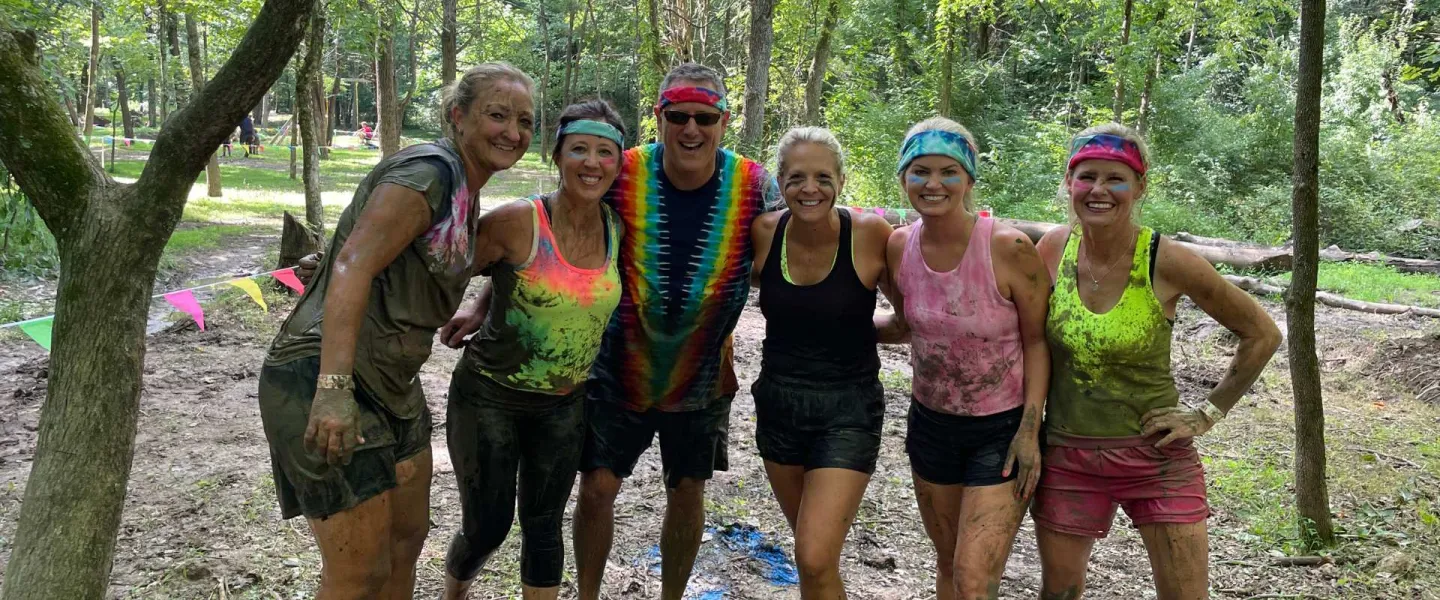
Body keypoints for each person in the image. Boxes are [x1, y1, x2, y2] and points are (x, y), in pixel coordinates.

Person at [257, 62, 537, 600]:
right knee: (358, 572)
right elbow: (353, 266)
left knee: (406, 541)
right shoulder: (431, 171)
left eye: (524, 121)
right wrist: (333, 390)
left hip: (395, 386)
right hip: (328, 373)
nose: (513, 132)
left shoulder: (463, 185)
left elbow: (380, 252)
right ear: (458, 117)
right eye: (497, 115)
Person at [1031, 123, 1282, 600]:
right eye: (1086, 177)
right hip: (1068, 454)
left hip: (1156, 457)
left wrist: (1206, 413)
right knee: (1059, 593)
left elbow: (1262, 333)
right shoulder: (1052, 249)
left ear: (1140, 186)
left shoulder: (1166, 259)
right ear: (1069, 183)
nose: (1099, 190)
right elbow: (1026, 342)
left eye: (1115, 178)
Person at [575, 63, 777, 600]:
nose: (692, 129)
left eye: (704, 118)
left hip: (704, 374)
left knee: (687, 491)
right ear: (659, 116)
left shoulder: (756, 184)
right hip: (618, 366)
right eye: (679, 116)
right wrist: (482, 301)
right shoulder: (622, 170)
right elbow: (558, 227)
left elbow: (811, 234)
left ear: (723, 121)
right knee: (596, 489)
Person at [436, 100, 627, 600]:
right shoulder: (519, 219)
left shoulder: (616, 227)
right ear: (557, 155)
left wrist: (483, 305)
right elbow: (444, 269)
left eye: (605, 152)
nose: (592, 162)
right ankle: (451, 593)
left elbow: (548, 281)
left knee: (545, 526)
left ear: (618, 163)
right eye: (579, 149)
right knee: (488, 526)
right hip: (489, 398)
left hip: (565, 403)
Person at [874, 117, 1051, 599]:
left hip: (1002, 430)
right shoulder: (897, 246)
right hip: (931, 425)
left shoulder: (1008, 247)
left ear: (969, 179)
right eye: (920, 171)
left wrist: (1030, 430)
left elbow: (1038, 342)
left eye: (948, 171)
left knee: (975, 578)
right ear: (903, 178)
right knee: (949, 565)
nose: (933, 183)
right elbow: (906, 325)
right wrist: (835, 329)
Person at [748, 126, 894, 598]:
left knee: (813, 553)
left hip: (848, 408)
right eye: (796, 178)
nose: (809, 189)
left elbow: (911, 317)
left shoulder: (870, 234)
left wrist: (849, 333)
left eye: (822, 177)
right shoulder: (766, 233)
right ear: (780, 183)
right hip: (779, 403)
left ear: (842, 180)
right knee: (813, 559)